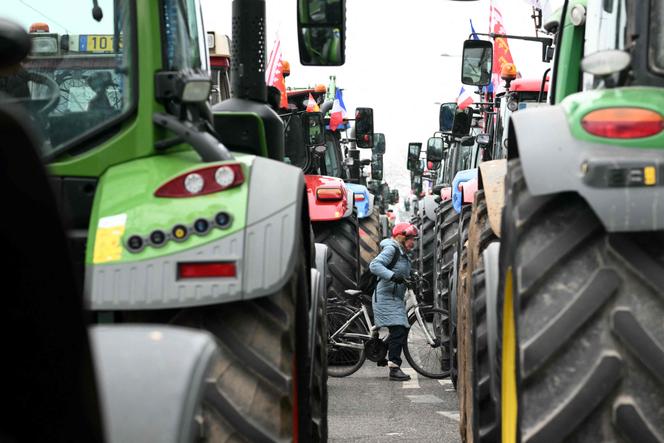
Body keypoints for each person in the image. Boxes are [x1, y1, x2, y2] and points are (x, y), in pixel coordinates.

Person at [369, 222, 418, 381]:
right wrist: (392, 276)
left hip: (394, 298)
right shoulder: (392, 249)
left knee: (401, 329)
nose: (413, 242)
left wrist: (413, 277)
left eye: (414, 239)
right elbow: (374, 265)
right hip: (385, 298)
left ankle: (382, 350)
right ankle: (394, 368)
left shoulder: (403, 253)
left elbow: (401, 271)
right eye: (410, 239)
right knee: (399, 330)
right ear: (401, 237)